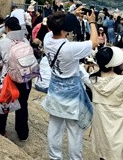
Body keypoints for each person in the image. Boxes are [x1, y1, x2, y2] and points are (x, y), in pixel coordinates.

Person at [42, 9, 99, 160]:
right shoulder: (70, 49)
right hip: (72, 96)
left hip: (55, 91)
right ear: (63, 30)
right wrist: (92, 21)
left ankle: (55, 157)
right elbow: (94, 42)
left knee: (54, 128)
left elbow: (53, 24)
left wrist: (71, 13)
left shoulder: (47, 39)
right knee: (75, 132)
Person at [89, 46, 123, 160]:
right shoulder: (121, 81)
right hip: (120, 123)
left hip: (102, 122)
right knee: (120, 153)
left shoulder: (93, 80)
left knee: (105, 152)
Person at [0, 17, 31, 140]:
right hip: (26, 78)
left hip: (10, 79)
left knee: (4, 103)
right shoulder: (25, 41)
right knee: (23, 104)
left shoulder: (4, 42)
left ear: (7, 28)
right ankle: (23, 133)